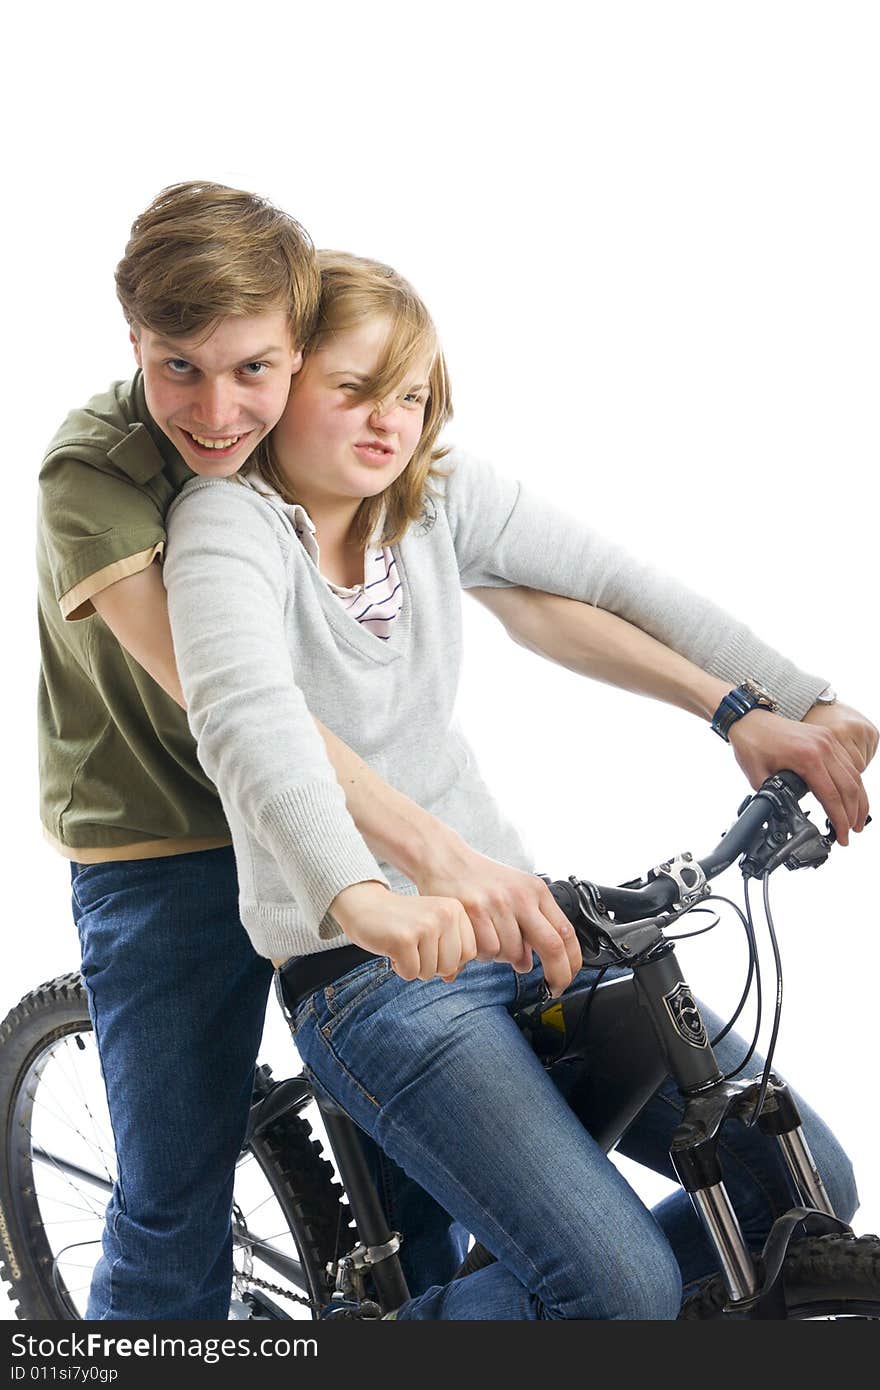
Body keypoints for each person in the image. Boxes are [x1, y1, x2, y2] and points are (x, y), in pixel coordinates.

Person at [164, 250, 874, 1319]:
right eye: (354, 388)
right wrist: (359, 897)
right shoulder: (228, 526)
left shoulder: (428, 494)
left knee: (800, 1194)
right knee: (616, 1290)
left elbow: (607, 580)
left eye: (410, 393)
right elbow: (248, 720)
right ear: (283, 379)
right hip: (376, 971)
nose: (388, 421)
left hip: (525, 919)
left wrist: (790, 701)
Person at [37, 182, 475, 1319]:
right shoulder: (95, 473)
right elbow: (228, 701)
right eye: (177, 364)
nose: (219, 408)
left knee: (425, 1167)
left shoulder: (312, 427)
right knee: (175, 1193)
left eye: (253, 369)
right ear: (132, 339)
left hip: (315, 818)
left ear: (297, 348)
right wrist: (427, 847)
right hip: (165, 837)